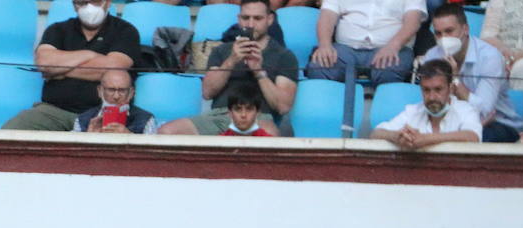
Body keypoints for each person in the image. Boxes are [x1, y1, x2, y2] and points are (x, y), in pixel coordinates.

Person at [160, 0, 297, 135]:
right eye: (245, 18)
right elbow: (207, 92)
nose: (250, 24)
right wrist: (231, 61)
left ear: (270, 19)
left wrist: (259, 72)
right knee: (167, 132)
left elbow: (282, 106)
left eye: (257, 18)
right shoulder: (221, 51)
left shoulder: (284, 56)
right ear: (238, 19)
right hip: (221, 115)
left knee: (267, 135)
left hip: (259, 115)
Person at [2, 0, 140, 131]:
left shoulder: (125, 31)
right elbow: (44, 62)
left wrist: (59, 71)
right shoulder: (58, 29)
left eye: (94, 1)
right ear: (74, 5)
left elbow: (114, 68)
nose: (88, 7)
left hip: (104, 112)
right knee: (10, 131)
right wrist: (89, 54)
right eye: (82, 2)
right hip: (55, 111)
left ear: (108, 2)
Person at [421, 3, 522, 142]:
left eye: (449, 31)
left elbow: (484, 111)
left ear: (465, 29)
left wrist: (454, 79)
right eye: (438, 33)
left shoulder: (490, 56)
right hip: (451, 123)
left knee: (472, 140)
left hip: (497, 124)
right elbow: (432, 102)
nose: (443, 38)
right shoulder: (432, 56)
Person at [307, 0, 427, 86]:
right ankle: (329, 116)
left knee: (389, 70)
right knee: (320, 65)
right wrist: (324, 45)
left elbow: (413, 22)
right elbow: (327, 17)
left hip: (392, 48)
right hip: (345, 48)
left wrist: (393, 46)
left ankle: (383, 117)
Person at [370, 57, 482, 146]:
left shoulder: (465, 109)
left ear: (451, 88)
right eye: (426, 90)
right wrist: (398, 137)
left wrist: (425, 139)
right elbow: (376, 133)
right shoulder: (413, 111)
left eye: (438, 89)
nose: (432, 97)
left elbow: (472, 137)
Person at [72, 67, 157, 133]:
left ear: (131, 93)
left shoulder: (146, 119)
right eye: (111, 90)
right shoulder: (83, 119)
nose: (116, 96)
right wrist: (88, 138)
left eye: (122, 90)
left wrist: (130, 138)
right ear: (100, 91)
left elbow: (153, 153)